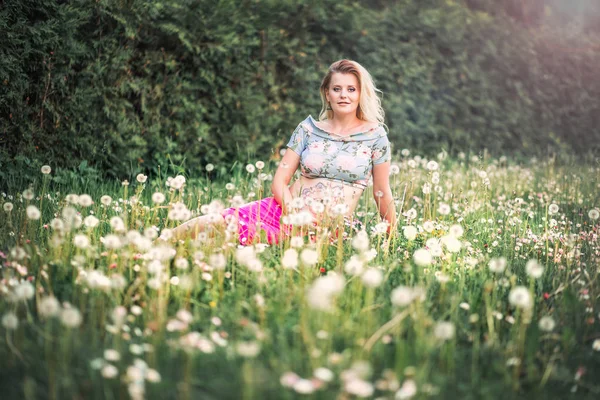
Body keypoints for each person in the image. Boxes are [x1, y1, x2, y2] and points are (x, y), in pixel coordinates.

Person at [169, 59, 397, 245]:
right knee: (217, 222)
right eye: (336, 89)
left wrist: (391, 239)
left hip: (326, 228)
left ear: (360, 94)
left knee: (237, 243)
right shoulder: (308, 129)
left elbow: (382, 192)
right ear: (327, 94)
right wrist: (294, 214)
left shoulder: (375, 137)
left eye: (351, 89)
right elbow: (279, 181)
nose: (343, 95)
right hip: (281, 210)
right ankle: (161, 242)